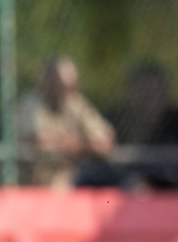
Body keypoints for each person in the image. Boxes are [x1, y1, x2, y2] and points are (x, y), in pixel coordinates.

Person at [110, 62, 178, 191]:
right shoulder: (121, 120)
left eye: (154, 92)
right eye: (144, 92)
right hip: (134, 187)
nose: (150, 98)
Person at [16, 56, 116, 188]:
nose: (64, 92)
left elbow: (105, 141)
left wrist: (70, 143)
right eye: (59, 86)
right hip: (26, 184)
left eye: (71, 87)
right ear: (46, 82)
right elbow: (38, 142)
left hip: (63, 184)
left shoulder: (75, 103)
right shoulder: (31, 103)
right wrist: (82, 144)